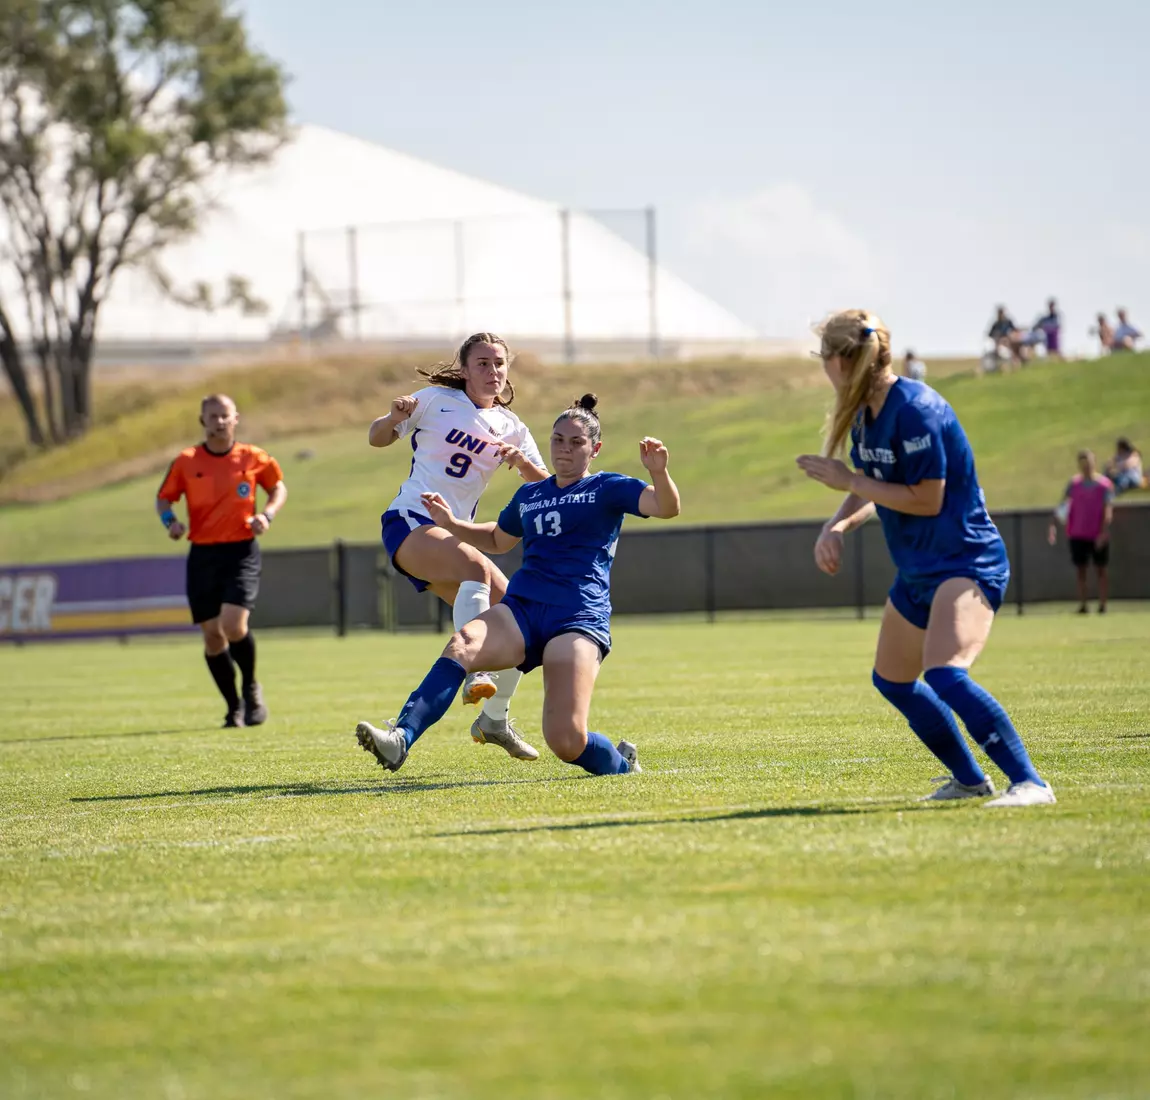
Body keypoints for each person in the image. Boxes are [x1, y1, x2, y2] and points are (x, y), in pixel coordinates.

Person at [796, 308, 1055, 808]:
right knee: (893, 681)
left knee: (944, 672)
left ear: (843, 360)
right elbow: (875, 486)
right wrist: (838, 525)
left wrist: (849, 479)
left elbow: (927, 498)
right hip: (918, 568)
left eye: (823, 356)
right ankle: (970, 781)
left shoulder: (916, 408)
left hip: (965, 561)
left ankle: (1030, 783)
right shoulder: (865, 416)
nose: (823, 367)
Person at [354, 394, 681, 777]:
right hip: (522, 610)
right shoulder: (531, 494)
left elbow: (666, 507)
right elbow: (497, 539)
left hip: (576, 619)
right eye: (558, 439)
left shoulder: (608, 487)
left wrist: (659, 472)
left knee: (565, 740)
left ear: (595, 449)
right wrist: (452, 524)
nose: (564, 448)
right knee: (462, 645)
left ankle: (622, 765)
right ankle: (401, 738)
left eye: (576, 442)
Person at [369, 332, 549, 762]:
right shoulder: (435, 399)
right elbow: (377, 437)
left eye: (499, 363)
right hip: (411, 520)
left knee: (522, 622)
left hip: (452, 535)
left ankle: (494, 720)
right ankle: (476, 672)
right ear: (464, 369)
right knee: (477, 568)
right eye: (482, 363)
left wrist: (523, 463)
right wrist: (392, 417)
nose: (493, 371)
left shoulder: (512, 426)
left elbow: (547, 486)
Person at [156, 394, 287, 728]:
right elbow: (164, 499)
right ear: (203, 420)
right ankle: (233, 707)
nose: (219, 421)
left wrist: (267, 515)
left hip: (241, 551)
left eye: (224, 415)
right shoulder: (186, 461)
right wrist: (170, 522)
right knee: (213, 638)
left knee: (233, 626)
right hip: (202, 555)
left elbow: (278, 488)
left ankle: (251, 688)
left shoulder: (253, 457)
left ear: (235, 418)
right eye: (212, 416)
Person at [1048, 450, 1114, 614]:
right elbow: (1063, 505)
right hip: (1078, 533)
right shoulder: (1074, 484)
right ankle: (1083, 604)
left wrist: (1102, 532)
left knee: (1101, 569)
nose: (1086, 466)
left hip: (1097, 534)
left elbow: (1107, 510)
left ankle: (1103, 604)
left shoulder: (1104, 485)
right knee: (1081, 570)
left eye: (1089, 462)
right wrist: (1054, 523)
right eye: (1083, 463)